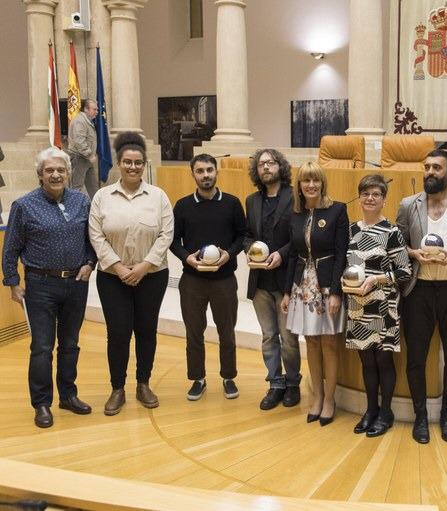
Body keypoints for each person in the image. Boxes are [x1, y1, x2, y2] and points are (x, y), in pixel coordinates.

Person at [2, 147, 95, 428]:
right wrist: (13, 283)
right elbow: (10, 249)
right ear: (40, 174)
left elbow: (92, 240)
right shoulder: (24, 205)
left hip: (76, 284)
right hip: (40, 285)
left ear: (68, 173)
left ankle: (68, 396)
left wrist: (90, 263)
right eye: (49, 170)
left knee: (70, 344)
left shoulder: (81, 201)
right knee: (42, 347)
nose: (55, 174)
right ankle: (42, 404)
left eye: (61, 170)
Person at [396, 149, 447, 444]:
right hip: (417, 291)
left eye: (436, 167)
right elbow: (397, 244)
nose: (430, 172)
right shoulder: (408, 205)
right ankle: (420, 416)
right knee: (416, 357)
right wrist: (413, 253)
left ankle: (446, 415)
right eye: (427, 166)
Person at [89, 132, 173, 416]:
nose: (133, 167)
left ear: (144, 164)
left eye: (138, 162)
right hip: (113, 277)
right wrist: (119, 267)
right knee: (118, 332)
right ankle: (117, 388)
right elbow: (96, 236)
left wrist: (144, 266)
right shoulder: (102, 197)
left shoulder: (158, 196)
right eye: (127, 162)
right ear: (119, 164)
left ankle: (143, 383)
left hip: (152, 275)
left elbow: (166, 234)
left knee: (146, 330)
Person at [170, 154, 247, 401]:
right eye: (200, 171)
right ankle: (198, 379)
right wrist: (187, 258)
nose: (206, 175)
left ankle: (229, 377)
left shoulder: (232, 203)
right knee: (194, 332)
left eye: (209, 170)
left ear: (216, 172)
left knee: (227, 332)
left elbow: (242, 236)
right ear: (193, 174)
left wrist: (228, 254)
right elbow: (173, 240)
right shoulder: (183, 205)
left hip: (224, 280)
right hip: (192, 280)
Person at [280, 161, 349, 426]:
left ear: (322, 183)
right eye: (306, 180)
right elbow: (293, 255)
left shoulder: (337, 210)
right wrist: (287, 292)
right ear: (299, 186)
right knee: (311, 343)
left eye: (315, 180)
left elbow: (342, 254)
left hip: (327, 286)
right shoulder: (295, 214)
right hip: (303, 288)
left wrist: (336, 293)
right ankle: (317, 397)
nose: (311, 185)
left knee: (329, 343)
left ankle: (330, 400)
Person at [346, 174, 411, 437]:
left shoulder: (392, 232)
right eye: (365, 194)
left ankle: (386, 412)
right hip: (358, 305)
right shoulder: (351, 229)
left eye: (376, 194)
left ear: (384, 199)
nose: (370, 198)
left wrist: (376, 279)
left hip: (384, 307)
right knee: (366, 361)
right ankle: (371, 410)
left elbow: (405, 271)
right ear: (359, 198)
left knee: (383, 360)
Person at [244, 149, 302, 410]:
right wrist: (251, 250)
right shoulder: (251, 201)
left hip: (286, 278)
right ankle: (275, 383)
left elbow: (300, 236)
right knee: (268, 336)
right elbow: (246, 235)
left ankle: (292, 383)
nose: (266, 167)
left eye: (270, 163)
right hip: (260, 281)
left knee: (288, 339)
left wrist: (281, 254)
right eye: (261, 164)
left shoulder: (295, 196)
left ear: (280, 166)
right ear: (257, 171)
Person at [67, 99, 99, 198]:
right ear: (86, 109)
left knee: (93, 187)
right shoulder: (80, 121)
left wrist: (89, 156)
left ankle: (98, 206)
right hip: (79, 158)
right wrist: (89, 155)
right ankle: (73, 207)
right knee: (76, 187)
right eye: (94, 109)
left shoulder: (86, 121)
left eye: (97, 110)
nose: (97, 112)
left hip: (86, 159)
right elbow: (79, 141)